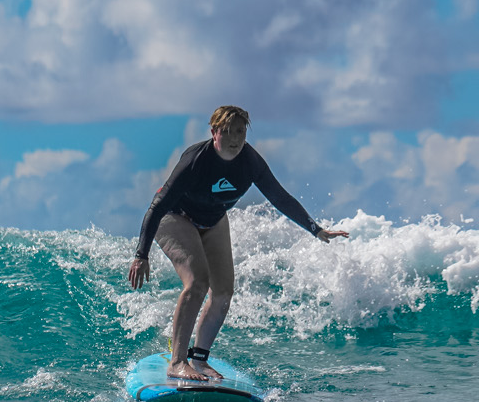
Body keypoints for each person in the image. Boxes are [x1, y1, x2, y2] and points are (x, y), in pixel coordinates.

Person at [128, 106, 348, 381]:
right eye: (228, 131)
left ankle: (199, 360)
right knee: (197, 282)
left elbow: (279, 197)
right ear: (214, 133)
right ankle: (177, 362)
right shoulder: (196, 159)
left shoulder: (250, 161)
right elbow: (158, 205)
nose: (235, 138)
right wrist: (141, 254)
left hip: (214, 219)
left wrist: (316, 229)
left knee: (223, 292)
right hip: (175, 216)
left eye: (240, 131)